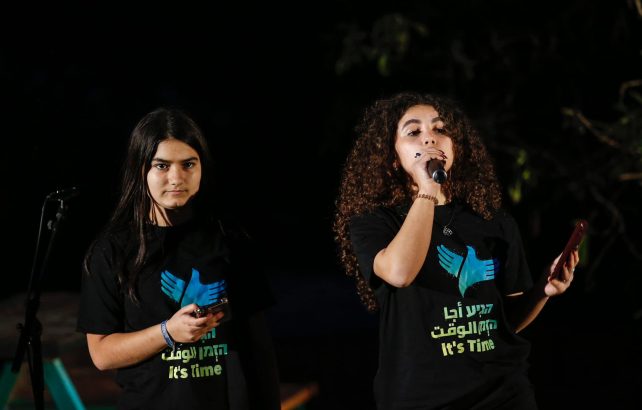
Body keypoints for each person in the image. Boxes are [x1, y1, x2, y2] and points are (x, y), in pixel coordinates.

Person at [333, 91, 580, 409]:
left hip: (503, 393)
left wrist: (543, 290)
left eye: (440, 129)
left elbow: (505, 321)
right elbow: (399, 273)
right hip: (422, 398)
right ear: (392, 157)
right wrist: (427, 190)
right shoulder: (375, 222)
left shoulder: (494, 222)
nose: (429, 138)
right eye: (414, 132)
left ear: (456, 147)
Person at [77, 107, 281, 410]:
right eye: (161, 165)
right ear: (140, 169)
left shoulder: (230, 241)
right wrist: (168, 332)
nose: (176, 178)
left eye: (188, 164)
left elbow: (259, 348)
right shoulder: (111, 251)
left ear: (202, 168)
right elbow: (102, 354)